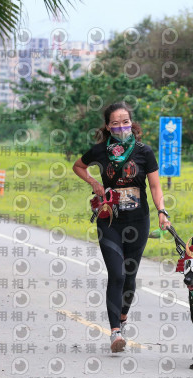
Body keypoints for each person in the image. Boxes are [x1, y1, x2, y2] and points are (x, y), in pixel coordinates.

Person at [73, 102, 171, 353]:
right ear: (107, 126)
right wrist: (94, 182)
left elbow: (156, 187)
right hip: (110, 221)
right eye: (115, 123)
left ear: (132, 124)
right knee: (116, 274)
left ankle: (123, 315)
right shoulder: (100, 151)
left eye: (124, 121)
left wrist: (162, 211)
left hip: (139, 221)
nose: (120, 126)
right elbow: (78, 166)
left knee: (129, 276)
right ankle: (115, 332)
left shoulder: (144, 151)